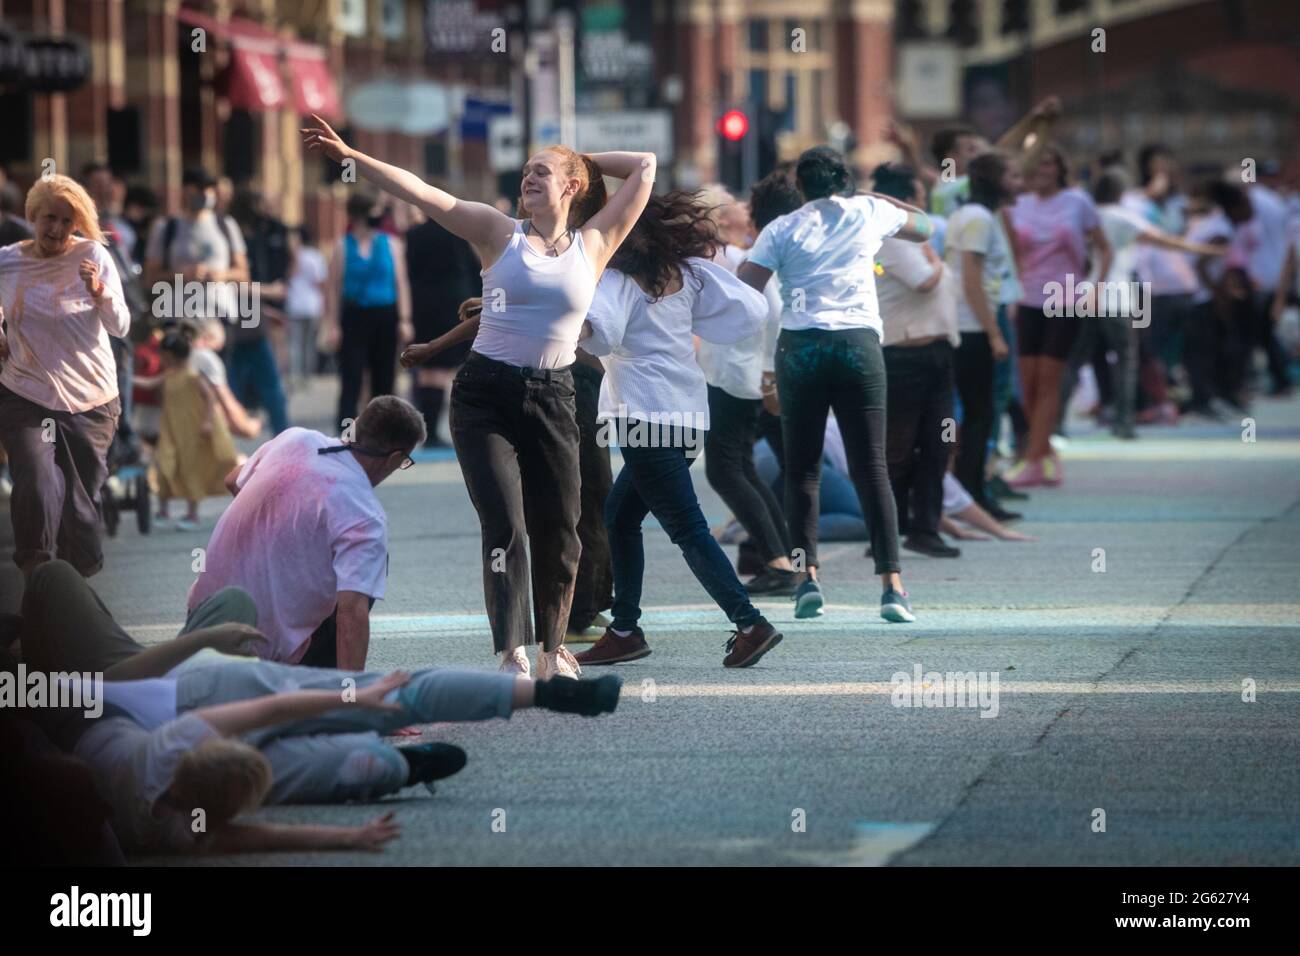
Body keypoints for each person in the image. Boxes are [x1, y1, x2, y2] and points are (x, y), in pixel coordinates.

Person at [305, 113, 655, 678]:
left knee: (561, 529)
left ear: (570, 187)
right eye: (525, 172)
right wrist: (352, 154)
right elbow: (420, 191)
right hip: (484, 395)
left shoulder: (594, 243)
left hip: (555, 396)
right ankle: (511, 648)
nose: (528, 179)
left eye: (541, 172)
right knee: (506, 526)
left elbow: (645, 167)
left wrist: (581, 160)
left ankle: (552, 648)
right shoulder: (498, 231)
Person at [572, 192, 784, 669]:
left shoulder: (618, 279)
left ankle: (749, 622)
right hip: (689, 416)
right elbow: (751, 310)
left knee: (686, 528)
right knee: (620, 516)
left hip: (645, 416)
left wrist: (570, 326)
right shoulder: (687, 272)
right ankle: (625, 628)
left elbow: (602, 333)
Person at [738, 146, 934, 623]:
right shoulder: (869, 211)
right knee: (871, 468)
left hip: (802, 347)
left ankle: (808, 579)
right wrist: (866, 195)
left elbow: (746, 286)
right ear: (843, 181)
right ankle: (893, 587)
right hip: (858, 344)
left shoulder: (781, 228)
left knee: (802, 471)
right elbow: (925, 225)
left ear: (800, 187)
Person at [186, 395, 424, 670]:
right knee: (367, 570)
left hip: (200, 619)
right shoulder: (365, 516)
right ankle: (318, 684)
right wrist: (354, 695)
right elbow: (350, 614)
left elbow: (233, 480)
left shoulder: (294, 439)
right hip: (255, 653)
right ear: (394, 458)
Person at [0, 175, 129, 581]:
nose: (55, 229)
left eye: (66, 221)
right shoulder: (8, 260)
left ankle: (74, 590)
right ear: (33, 216)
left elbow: (121, 325)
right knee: (35, 483)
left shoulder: (93, 256)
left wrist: (99, 292)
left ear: (77, 225)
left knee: (79, 504)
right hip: (26, 390)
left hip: (89, 398)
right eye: (48, 218)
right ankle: (37, 574)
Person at [695, 178, 798, 594]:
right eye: (734, 200)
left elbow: (770, 312)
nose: (742, 205)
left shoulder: (730, 258)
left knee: (726, 470)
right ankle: (780, 557)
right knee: (742, 469)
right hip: (740, 372)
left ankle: (778, 560)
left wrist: (768, 369)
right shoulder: (738, 256)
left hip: (734, 373)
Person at [1004, 146, 1112, 488]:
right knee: (1028, 383)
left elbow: (1104, 248)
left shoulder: (1078, 202)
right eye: (1036, 164)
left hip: (1065, 297)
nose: (1042, 170)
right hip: (1026, 298)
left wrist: (1095, 289)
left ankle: (1033, 460)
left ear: (1060, 167)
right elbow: (1009, 254)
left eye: (1049, 162)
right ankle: (1045, 452)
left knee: (1049, 380)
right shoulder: (1016, 205)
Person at [871, 162, 963, 558]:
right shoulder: (893, 239)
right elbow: (925, 282)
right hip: (906, 355)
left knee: (938, 442)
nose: (925, 209)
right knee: (898, 449)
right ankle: (887, 534)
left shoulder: (914, 239)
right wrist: (939, 260)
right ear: (906, 203)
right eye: (920, 201)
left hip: (935, 354)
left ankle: (924, 528)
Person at [944, 152, 1020, 514]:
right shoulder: (978, 219)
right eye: (1013, 176)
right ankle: (973, 493)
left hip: (965, 324)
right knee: (980, 413)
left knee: (978, 413)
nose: (1018, 183)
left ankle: (971, 491)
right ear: (995, 180)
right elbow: (972, 281)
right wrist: (993, 333)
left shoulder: (970, 215)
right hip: (972, 327)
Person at [326, 192, 414, 430]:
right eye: (375, 211)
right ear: (360, 215)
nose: (379, 216)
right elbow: (333, 288)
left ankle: (383, 429)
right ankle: (345, 430)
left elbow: (401, 282)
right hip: (354, 316)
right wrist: (333, 325)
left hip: (385, 315)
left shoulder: (392, 244)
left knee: (384, 376)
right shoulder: (342, 246)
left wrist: (405, 319)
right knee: (351, 376)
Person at [404, 208, 481, 445]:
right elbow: (476, 267)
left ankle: (428, 430)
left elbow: (408, 270)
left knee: (429, 368)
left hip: (422, 303)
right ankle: (439, 432)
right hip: (456, 302)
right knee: (446, 368)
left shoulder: (414, 234)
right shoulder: (461, 233)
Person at [150, 331, 239, 531]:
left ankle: (192, 513)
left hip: (191, 432)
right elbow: (149, 385)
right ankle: (163, 508)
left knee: (191, 469)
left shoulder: (193, 376)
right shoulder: (169, 376)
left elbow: (209, 398)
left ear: (169, 356)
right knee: (164, 465)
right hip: (171, 430)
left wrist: (207, 421)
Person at [227, 189, 292, 433]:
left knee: (266, 385)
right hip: (236, 322)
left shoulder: (260, 235)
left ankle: (282, 435)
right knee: (254, 384)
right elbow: (235, 285)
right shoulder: (234, 238)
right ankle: (281, 434)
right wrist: (270, 293)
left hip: (250, 321)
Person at [284, 226, 329, 389]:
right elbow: (321, 281)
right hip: (311, 305)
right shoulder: (315, 256)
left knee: (296, 344)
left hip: (297, 304)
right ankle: (305, 377)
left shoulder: (297, 256)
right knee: (307, 344)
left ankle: (297, 376)